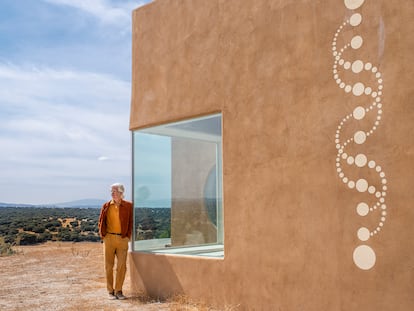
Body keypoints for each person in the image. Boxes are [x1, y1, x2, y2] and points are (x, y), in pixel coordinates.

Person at [98, 183, 133, 300]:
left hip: (122, 239)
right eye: (111, 191)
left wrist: (128, 236)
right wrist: (103, 236)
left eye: (114, 191)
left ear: (121, 192)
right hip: (109, 239)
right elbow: (101, 221)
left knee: (122, 266)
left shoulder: (128, 206)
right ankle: (110, 291)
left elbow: (131, 222)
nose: (112, 193)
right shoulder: (106, 206)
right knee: (108, 266)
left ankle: (119, 291)